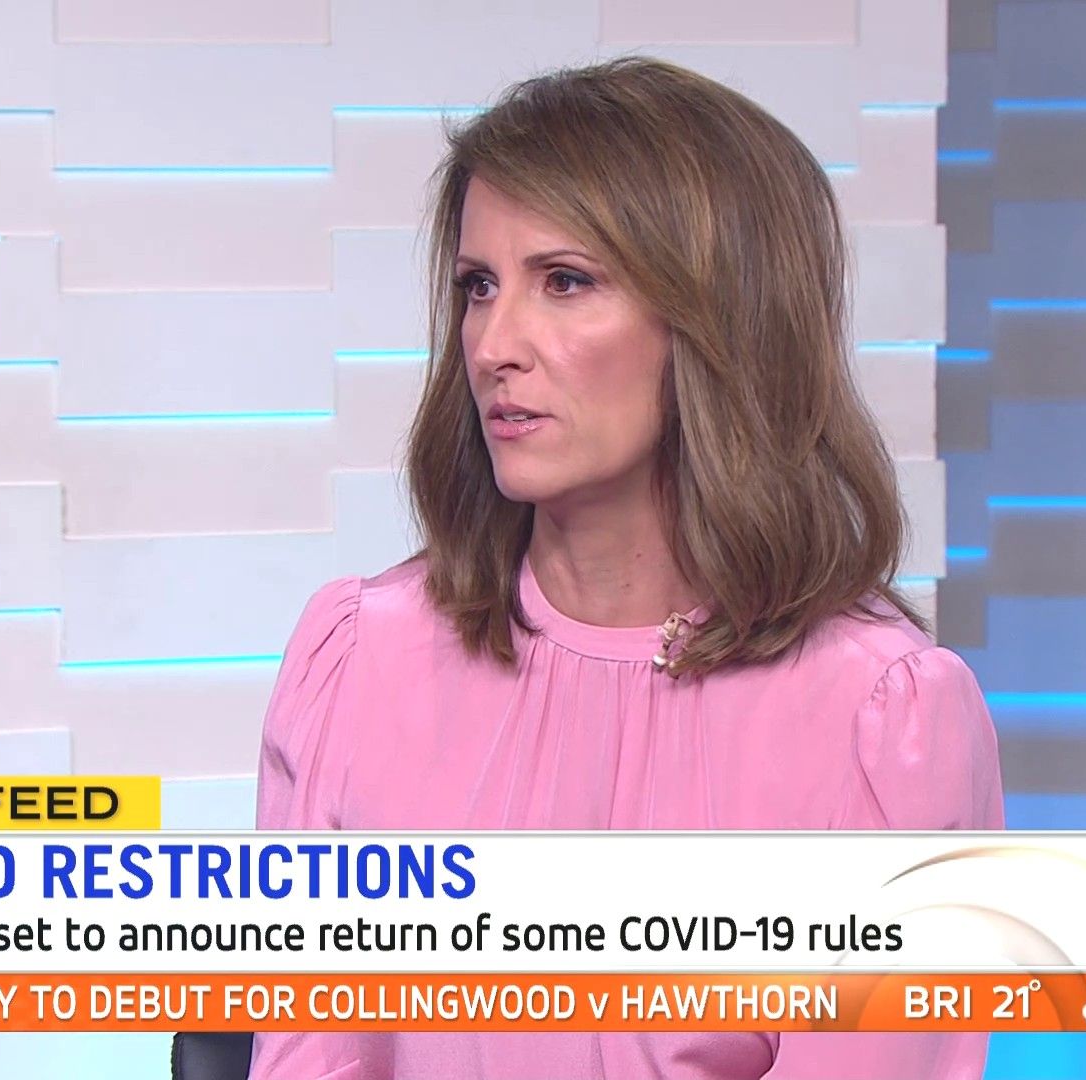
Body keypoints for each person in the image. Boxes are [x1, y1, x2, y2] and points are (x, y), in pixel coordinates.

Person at [249, 56, 1004, 1080]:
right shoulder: (354, 661)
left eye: (565, 281)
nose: (494, 344)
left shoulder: (881, 724)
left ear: (720, 320)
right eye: (478, 286)